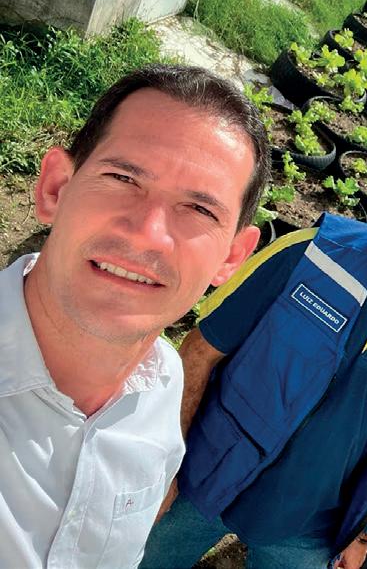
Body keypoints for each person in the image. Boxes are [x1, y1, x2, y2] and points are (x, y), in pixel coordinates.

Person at [140, 156, 367, 569]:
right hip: (201, 477)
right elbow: (200, 350)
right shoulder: (312, 254)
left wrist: (366, 529)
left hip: (307, 529)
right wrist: (164, 464)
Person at [0, 64, 270, 568]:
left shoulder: (165, 385)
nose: (149, 233)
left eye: (199, 210)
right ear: (55, 188)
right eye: (123, 178)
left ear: (232, 258)